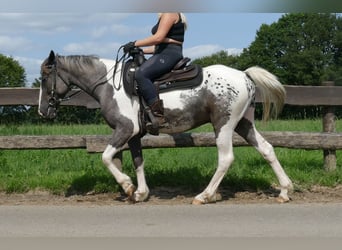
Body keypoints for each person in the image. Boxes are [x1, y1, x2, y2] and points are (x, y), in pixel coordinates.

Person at [123, 13, 187, 127]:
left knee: (141, 74)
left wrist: (134, 43)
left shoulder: (170, 13)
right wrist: (139, 50)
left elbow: (158, 38)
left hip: (169, 54)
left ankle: (158, 116)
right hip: (163, 52)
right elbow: (159, 46)